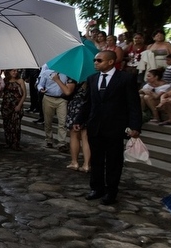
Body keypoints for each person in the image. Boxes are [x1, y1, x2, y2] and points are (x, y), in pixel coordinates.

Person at [72, 50, 142, 206]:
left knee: (113, 161)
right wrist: (79, 119)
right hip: (95, 126)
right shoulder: (92, 79)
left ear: (110, 62)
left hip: (115, 127)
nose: (95, 63)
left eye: (99, 60)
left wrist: (135, 125)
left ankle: (111, 191)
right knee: (96, 159)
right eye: (95, 60)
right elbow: (87, 103)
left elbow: (133, 104)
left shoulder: (125, 79)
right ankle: (96, 188)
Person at [37, 65, 74, 149]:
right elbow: (40, 84)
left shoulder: (66, 73)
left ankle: (62, 142)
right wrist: (41, 89)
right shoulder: (47, 72)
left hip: (61, 99)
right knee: (48, 121)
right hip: (48, 98)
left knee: (62, 122)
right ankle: (49, 140)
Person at [64, 81, 91, 172]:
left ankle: (74, 162)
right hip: (89, 108)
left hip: (76, 107)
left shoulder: (74, 79)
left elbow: (67, 92)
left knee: (74, 135)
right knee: (85, 137)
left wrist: (57, 80)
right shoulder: (94, 78)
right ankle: (86, 164)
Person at [0, 69, 26, 150]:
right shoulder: (5, 81)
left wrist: (19, 105)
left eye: (16, 71)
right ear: (9, 72)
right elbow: (1, 93)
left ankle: (15, 143)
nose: (15, 72)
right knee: (7, 124)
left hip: (16, 105)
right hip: (6, 105)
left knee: (16, 125)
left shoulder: (20, 81)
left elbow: (24, 94)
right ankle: (8, 142)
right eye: (13, 71)